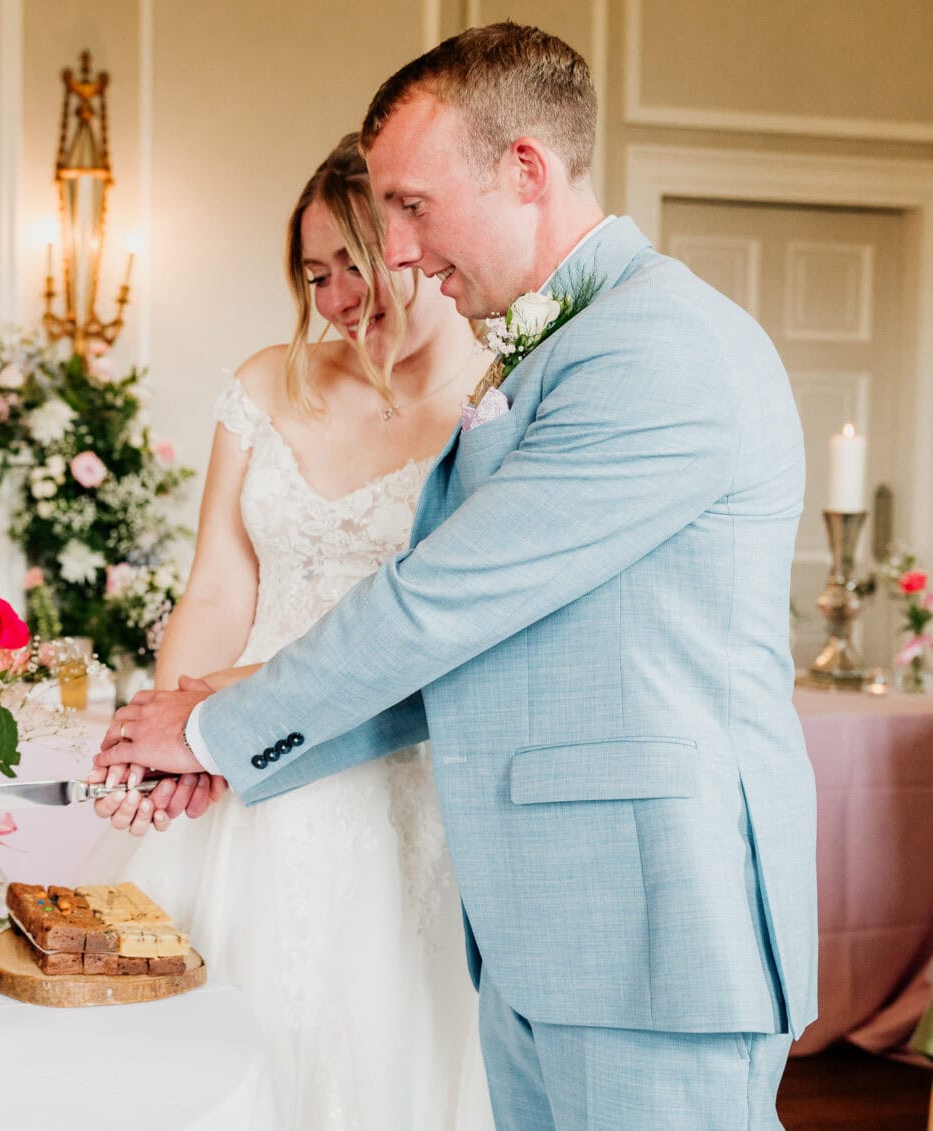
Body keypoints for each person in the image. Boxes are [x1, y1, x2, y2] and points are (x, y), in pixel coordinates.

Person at [96, 23, 815, 1131]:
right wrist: (220, 731)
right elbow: (466, 657)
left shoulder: (656, 347)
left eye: (412, 206)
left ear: (522, 169)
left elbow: (438, 603)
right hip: (542, 930)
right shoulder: (553, 347)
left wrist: (209, 728)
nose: (397, 251)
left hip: (650, 927)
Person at [89, 132, 493, 1130]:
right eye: (312, 274)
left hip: (390, 770)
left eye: (348, 264)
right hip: (233, 765)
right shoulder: (269, 382)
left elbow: (440, 628)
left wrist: (215, 723)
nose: (332, 297)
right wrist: (166, 742)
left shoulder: (492, 410)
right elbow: (217, 589)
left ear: (411, 245)